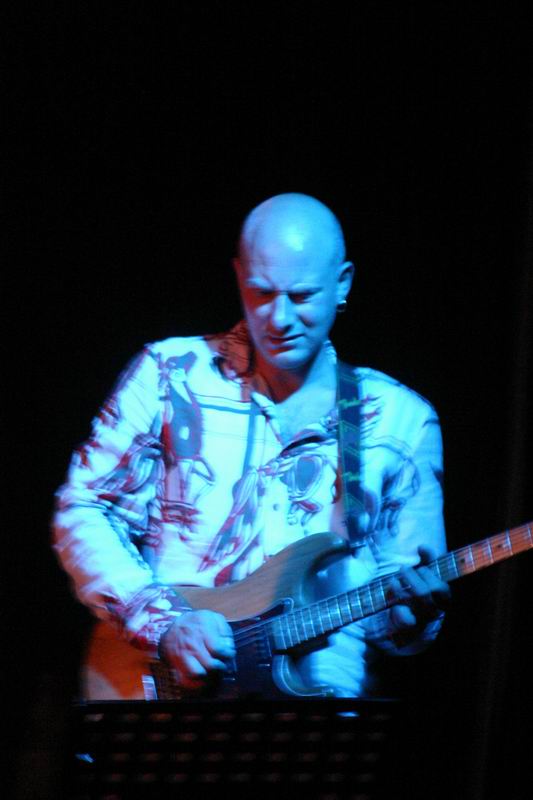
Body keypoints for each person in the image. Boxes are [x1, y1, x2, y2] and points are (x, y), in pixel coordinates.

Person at [53, 192, 450, 700]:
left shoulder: (402, 422)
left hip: (316, 722)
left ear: (343, 283)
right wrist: (165, 624)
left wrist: (410, 617)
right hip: (160, 700)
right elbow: (84, 509)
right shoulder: (169, 375)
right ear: (239, 276)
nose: (279, 318)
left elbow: (390, 625)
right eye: (262, 293)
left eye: (301, 296)